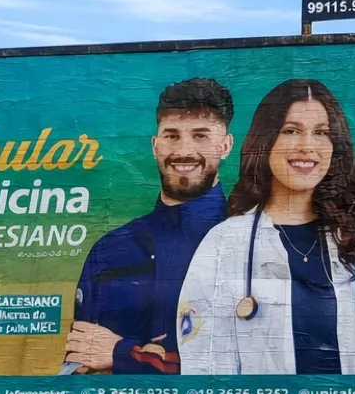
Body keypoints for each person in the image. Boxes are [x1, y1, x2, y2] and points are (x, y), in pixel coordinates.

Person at [177, 79, 355, 375]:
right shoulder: (224, 244)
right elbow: (201, 363)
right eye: (291, 130)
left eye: (321, 133)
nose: (307, 146)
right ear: (266, 142)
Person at [61, 78, 234, 375]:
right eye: (172, 135)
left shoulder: (251, 242)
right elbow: (82, 363)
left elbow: (251, 362)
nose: (184, 150)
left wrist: (123, 355)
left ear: (226, 146)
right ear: (155, 146)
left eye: (201, 136)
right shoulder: (110, 248)